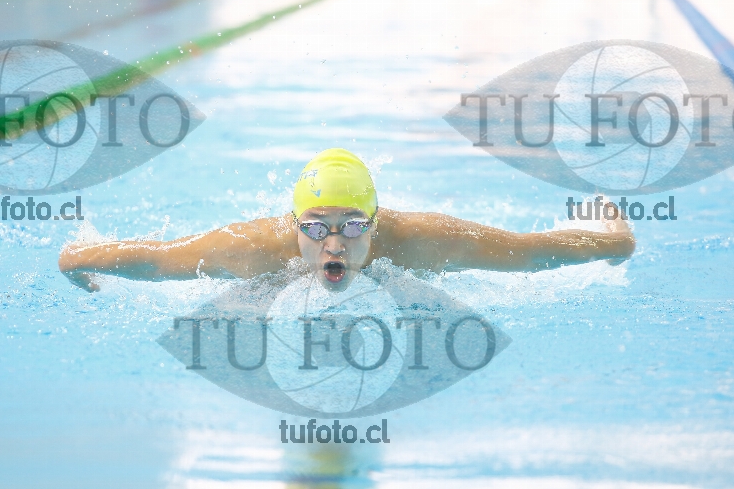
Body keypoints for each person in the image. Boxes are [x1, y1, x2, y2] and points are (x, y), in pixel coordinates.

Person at [59, 148, 635, 292]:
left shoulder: (421, 241)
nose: (333, 243)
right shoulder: (253, 249)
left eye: (353, 225)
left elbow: (528, 251)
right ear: (293, 225)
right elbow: (157, 260)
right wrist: (78, 259)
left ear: (376, 223)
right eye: (315, 227)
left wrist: (614, 242)